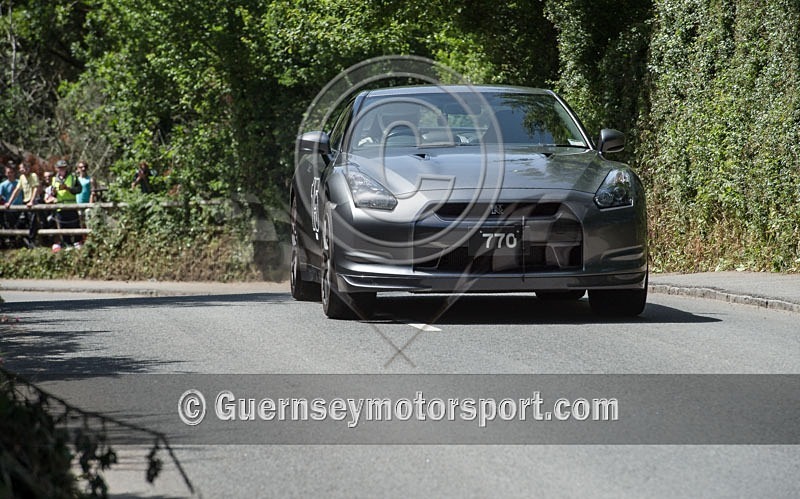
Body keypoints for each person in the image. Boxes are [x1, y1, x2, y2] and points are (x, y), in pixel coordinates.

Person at [3, 161, 40, 247]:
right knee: (21, 222)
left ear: (26, 168)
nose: (20, 170)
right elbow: (17, 190)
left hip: (33, 201)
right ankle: (24, 242)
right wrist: (9, 202)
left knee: (33, 222)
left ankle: (33, 242)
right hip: (26, 201)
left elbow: (35, 189)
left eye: (21, 168)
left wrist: (32, 200)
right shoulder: (22, 177)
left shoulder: (33, 176)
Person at [52, 159, 83, 247]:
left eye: (64, 168)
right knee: (63, 226)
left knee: (74, 224)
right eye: (60, 168)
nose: (62, 170)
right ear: (57, 169)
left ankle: (78, 242)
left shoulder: (73, 177)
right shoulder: (54, 179)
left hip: (71, 205)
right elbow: (53, 193)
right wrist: (53, 192)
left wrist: (69, 188)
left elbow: (79, 189)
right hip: (60, 206)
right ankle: (67, 244)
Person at [0, 163, 21, 234]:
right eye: (8, 172)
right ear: (5, 174)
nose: (10, 174)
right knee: (10, 226)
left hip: (21, 208)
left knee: (21, 225)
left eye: (11, 172)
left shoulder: (19, 183)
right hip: (9, 209)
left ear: (14, 173)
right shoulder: (3, 185)